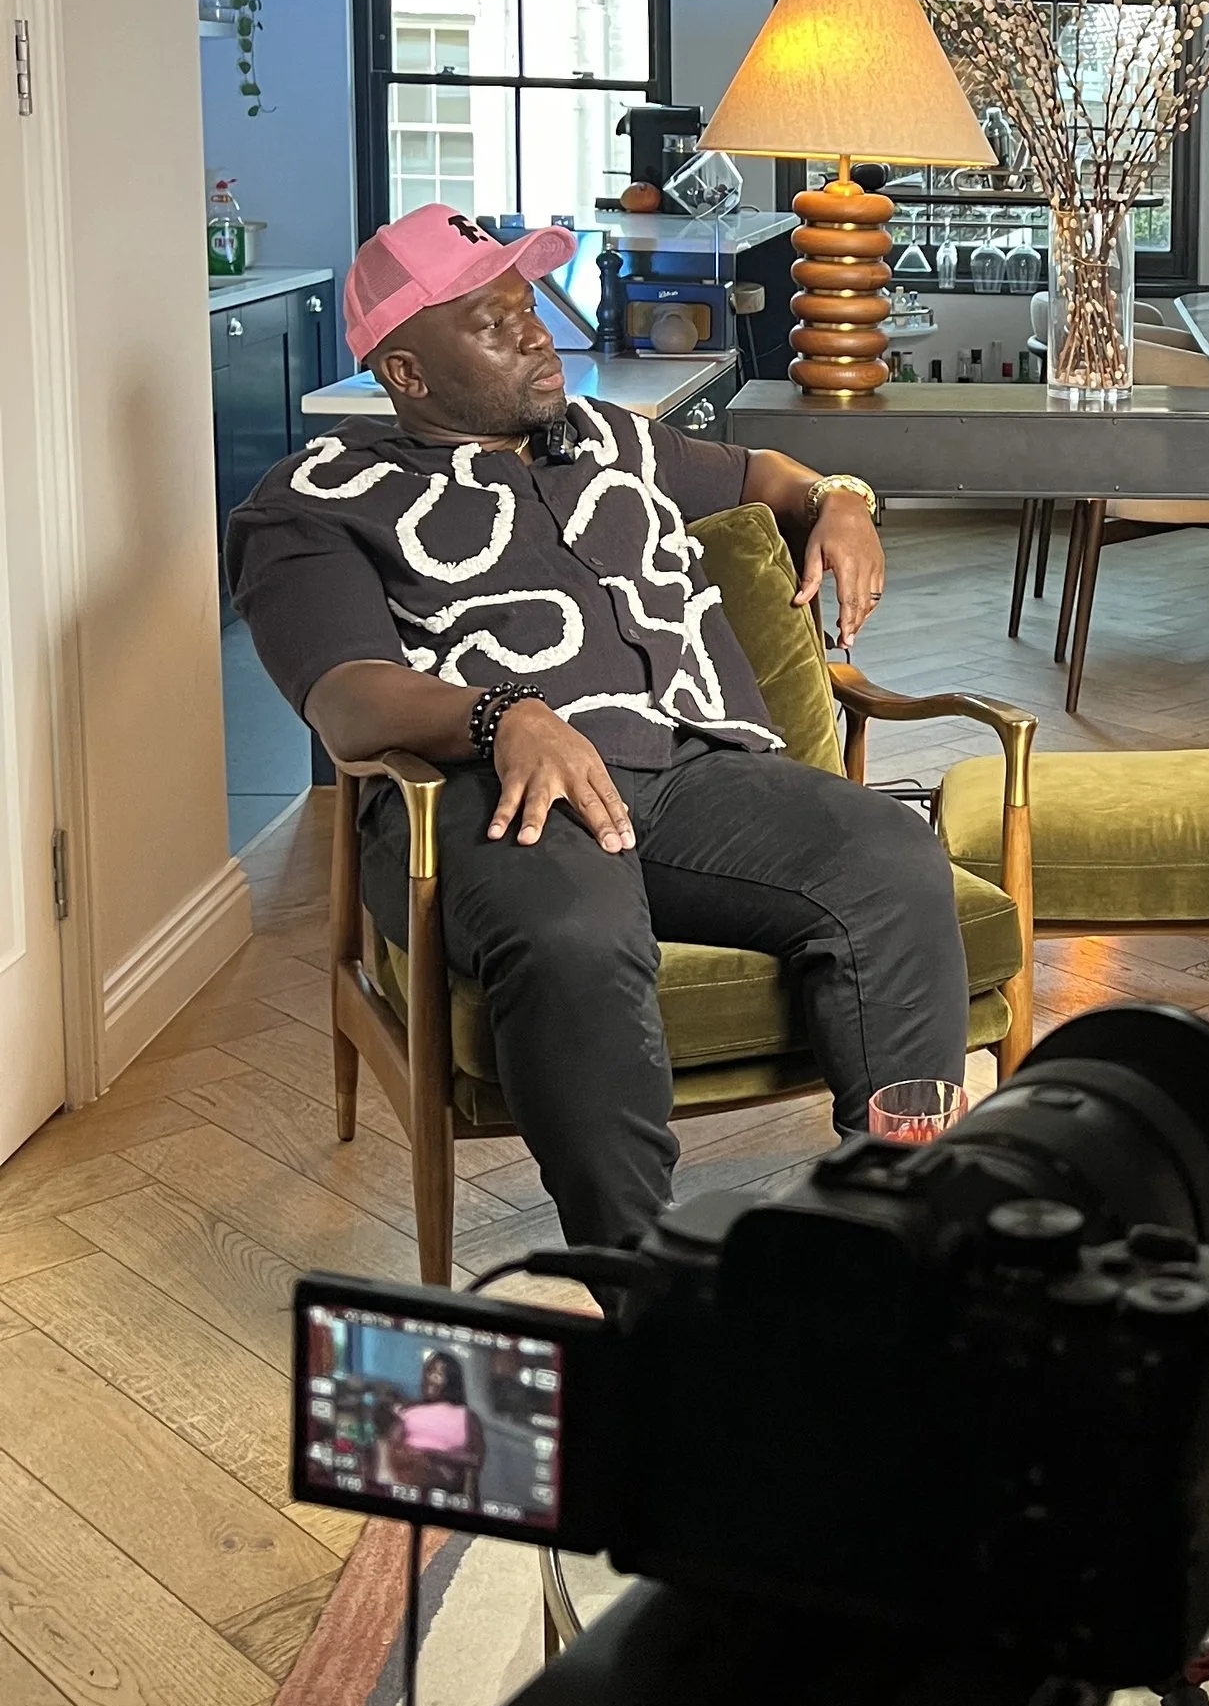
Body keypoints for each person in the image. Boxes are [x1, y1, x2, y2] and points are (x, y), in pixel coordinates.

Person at [227, 203, 969, 1249]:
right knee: (574, 934)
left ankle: (909, 1211)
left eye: (528, 308)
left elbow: (766, 479)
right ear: (406, 373)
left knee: (892, 857)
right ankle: (639, 1275)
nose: (535, 333)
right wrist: (500, 715)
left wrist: (839, 499)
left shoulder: (613, 440)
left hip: (690, 772)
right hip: (486, 798)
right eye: (491, 322)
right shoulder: (314, 497)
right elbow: (345, 696)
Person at [386, 1349, 483, 1508]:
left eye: (439, 1374)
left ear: (452, 1380)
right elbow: (392, 1449)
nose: (431, 1378)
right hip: (407, 1493)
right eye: (429, 1371)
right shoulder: (408, 1411)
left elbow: (475, 1460)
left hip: (448, 1500)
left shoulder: (467, 1417)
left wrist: (435, 1456)